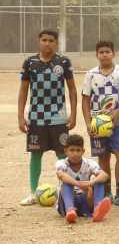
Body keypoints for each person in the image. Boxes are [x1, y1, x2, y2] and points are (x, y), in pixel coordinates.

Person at [18, 29, 77, 205]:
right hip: (36, 117)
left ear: (56, 43)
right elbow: (23, 90)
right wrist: (21, 116)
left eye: (51, 40)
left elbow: (72, 89)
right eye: (44, 40)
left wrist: (73, 114)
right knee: (36, 153)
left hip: (59, 116)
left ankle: (65, 191)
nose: (47, 43)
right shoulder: (30, 62)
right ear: (39, 41)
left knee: (62, 153)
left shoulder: (63, 61)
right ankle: (32, 192)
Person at [82, 40, 119, 205]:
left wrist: (118, 111)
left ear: (114, 54)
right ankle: (107, 192)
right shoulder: (91, 74)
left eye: (108, 52)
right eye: (101, 52)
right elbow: (85, 100)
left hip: (118, 122)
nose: (104, 55)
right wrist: (88, 123)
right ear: (96, 55)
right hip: (98, 124)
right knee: (103, 156)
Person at [55, 134, 112, 224]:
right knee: (66, 183)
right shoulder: (61, 163)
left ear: (83, 151)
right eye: (72, 150)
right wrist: (79, 185)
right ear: (66, 151)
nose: (75, 153)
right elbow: (61, 175)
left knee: (99, 181)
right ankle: (70, 210)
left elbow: (104, 175)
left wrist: (90, 183)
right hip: (68, 200)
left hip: (85, 198)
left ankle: (97, 209)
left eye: (78, 150)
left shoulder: (89, 163)